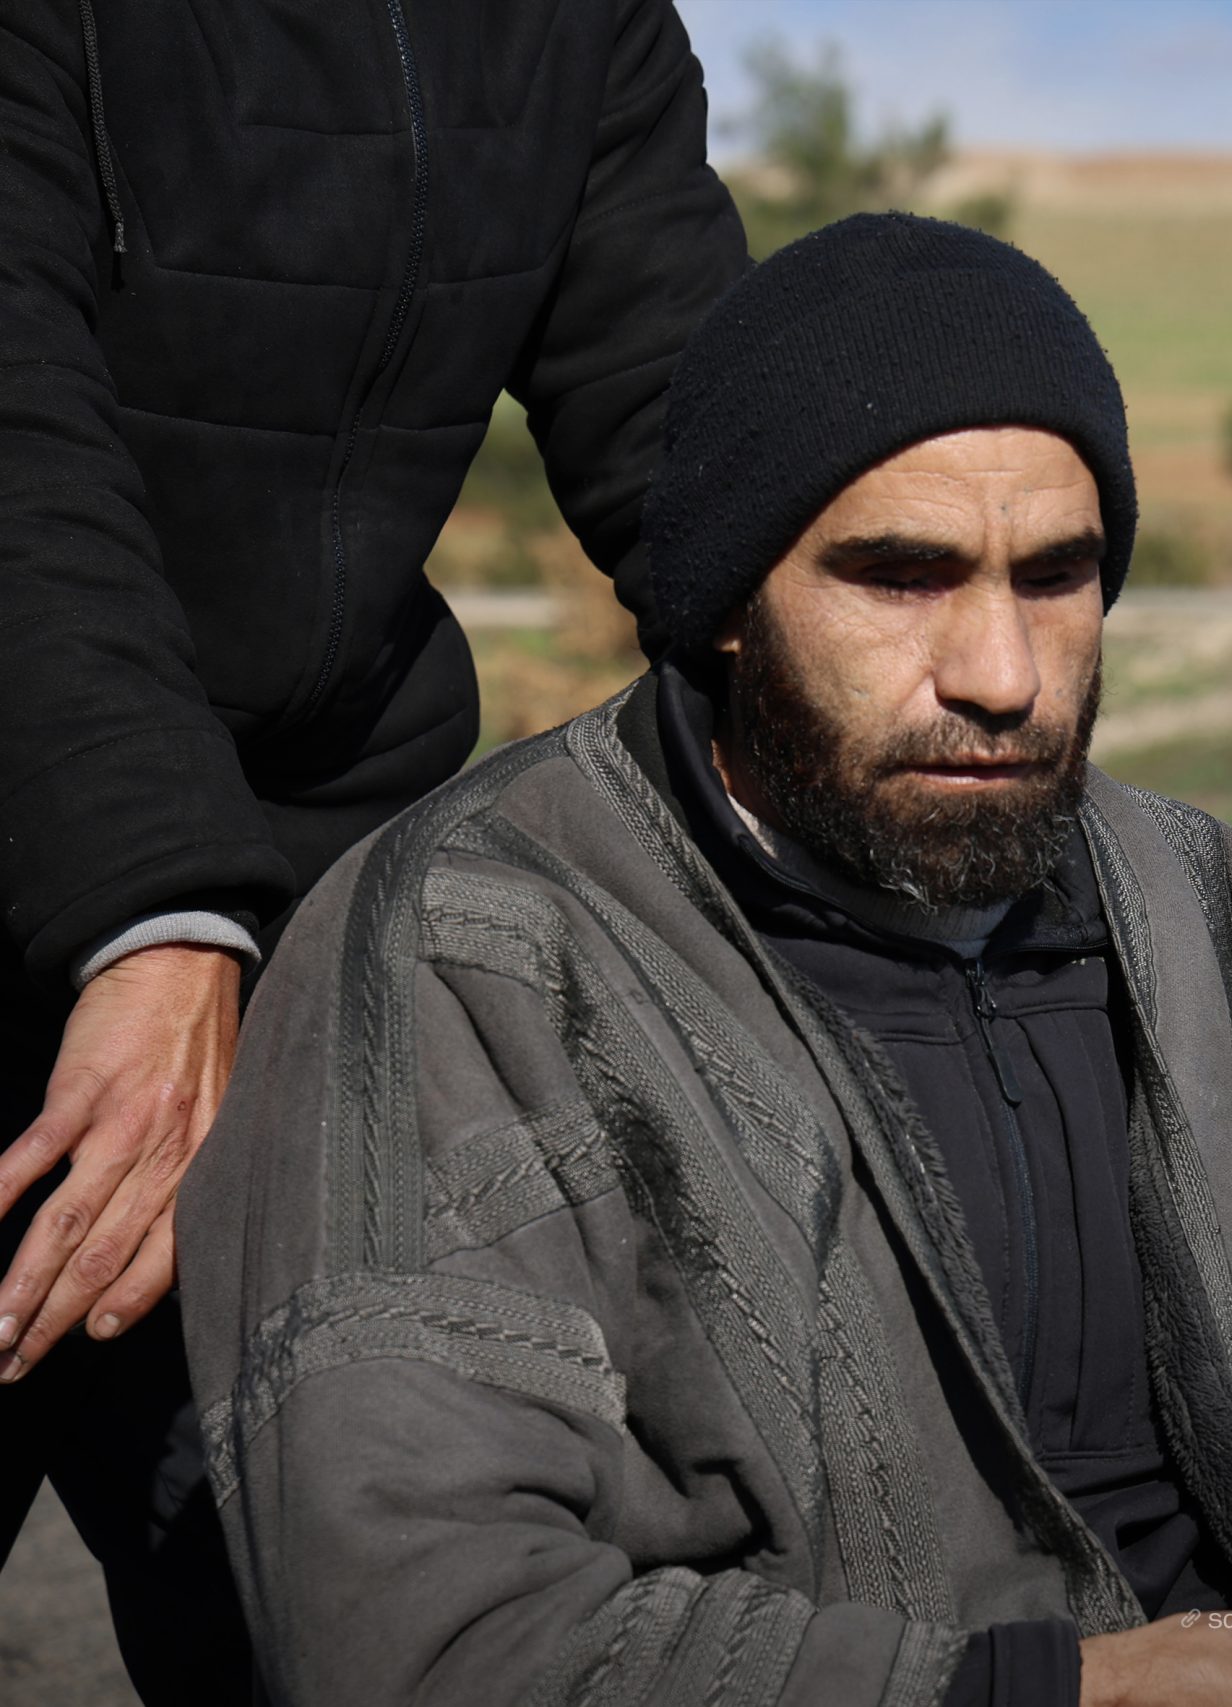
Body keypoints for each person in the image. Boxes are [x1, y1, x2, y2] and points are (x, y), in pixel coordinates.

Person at [178, 213, 1232, 1706]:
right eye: (901, 577)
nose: (1001, 671)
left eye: (1056, 577)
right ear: (729, 600)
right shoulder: (467, 963)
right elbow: (416, 1642)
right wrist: (1074, 1694)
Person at [0, 1, 748, 1698]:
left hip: (302, 908)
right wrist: (153, 910)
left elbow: (686, 432)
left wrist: (886, 696)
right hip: (124, 892)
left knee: (324, 1615)